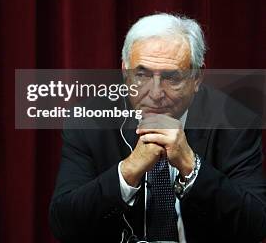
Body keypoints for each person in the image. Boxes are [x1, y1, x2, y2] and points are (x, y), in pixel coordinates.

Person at [49, 13, 266, 242]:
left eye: (172, 78)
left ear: (197, 78)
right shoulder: (89, 121)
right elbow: (65, 225)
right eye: (141, 75)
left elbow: (256, 224)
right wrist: (128, 171)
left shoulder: (234, 122)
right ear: (124, 71)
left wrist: (191, 166)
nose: (155, 94)